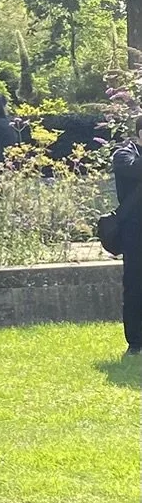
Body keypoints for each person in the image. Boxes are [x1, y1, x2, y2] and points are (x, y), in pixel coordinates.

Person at [112, 127, 141, 356]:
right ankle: (136, 342)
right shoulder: (124, 155)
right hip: (135, 231)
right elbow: (134, 171)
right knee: (135, 286)